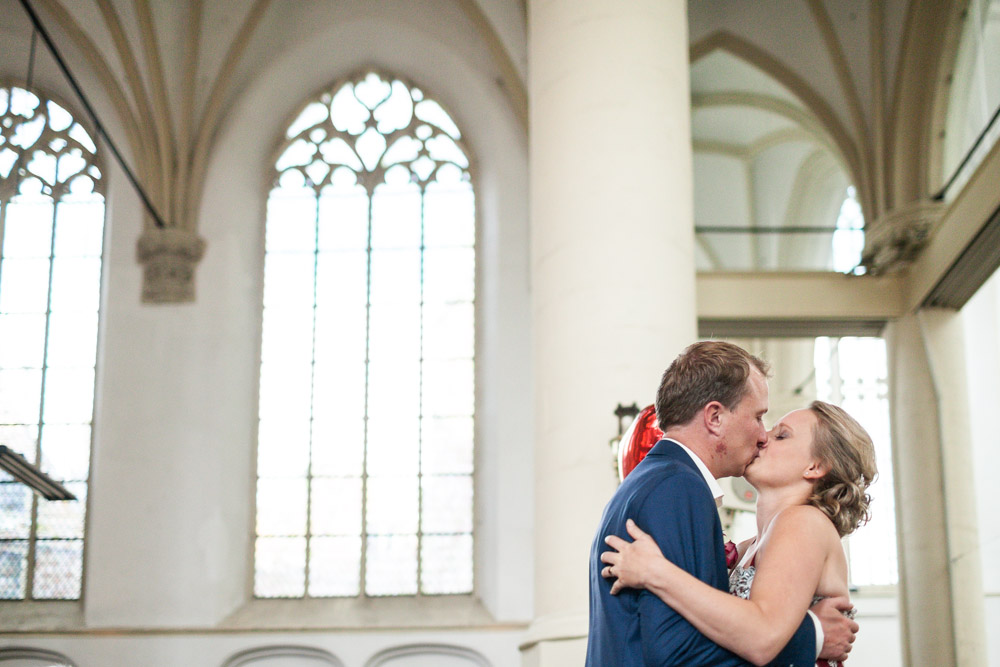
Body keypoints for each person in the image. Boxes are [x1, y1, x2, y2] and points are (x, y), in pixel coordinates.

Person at [585, 341, 858, 666]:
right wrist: (814, 635)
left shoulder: (802, 521)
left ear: (815, 467)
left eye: (780, 435)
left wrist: (656, 572)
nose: (763, 436)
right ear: (714, 417)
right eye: (759, 418)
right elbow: (680, 650)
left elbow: (755, 634)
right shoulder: (679, 488)